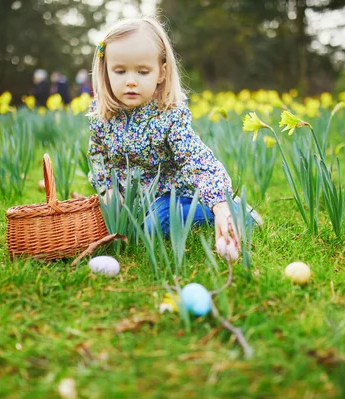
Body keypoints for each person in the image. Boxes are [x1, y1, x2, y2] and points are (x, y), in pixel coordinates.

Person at [87, 16, 242, 249]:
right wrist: (107, 188)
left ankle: (232, 210)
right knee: (113, 222)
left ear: (161, 73)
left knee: (154, 224)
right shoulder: (102, 114)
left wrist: (220, 203)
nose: (130, 81)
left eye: (142, 72)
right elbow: (97, 155)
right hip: (132, 202)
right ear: (105, 71)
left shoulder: (169, 115)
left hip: (171, 196)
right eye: (120, 71)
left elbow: (195, 158)